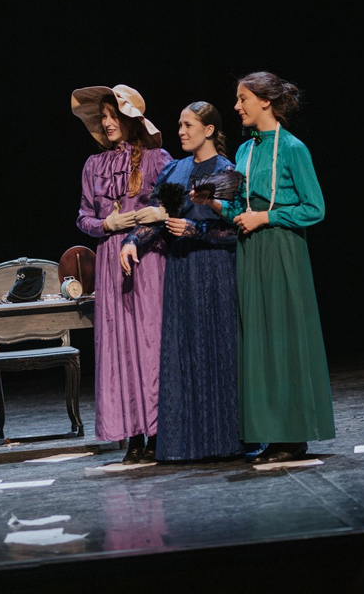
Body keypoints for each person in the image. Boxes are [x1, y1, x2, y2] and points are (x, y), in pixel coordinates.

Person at [219, 72, 335, 464]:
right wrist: (215, 204)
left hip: (282, 249)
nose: (237, 106)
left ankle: (293, 435)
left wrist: (266, 218)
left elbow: (314, 208)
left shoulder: (292, 148)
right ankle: (268, 431)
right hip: (249, 250)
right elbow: (238, 208)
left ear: (265, 101)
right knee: (258, 340)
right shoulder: (244, 150)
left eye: (243, 98)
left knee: (285, 338)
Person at [120, 102, 241, 462]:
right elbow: (158, 218)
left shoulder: (226, 171)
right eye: (180, 125)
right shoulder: (175, 170)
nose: (181, 131)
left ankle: (225, 440)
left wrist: (196, 228)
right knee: (183, 351)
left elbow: (235, 230)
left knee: (216, 350)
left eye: (189, 125)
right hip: (181, 270)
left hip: (215, 270)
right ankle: (186, 443)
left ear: (208, 130)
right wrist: (132, 240)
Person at [73, 85, 172, 463]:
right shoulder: (93, 165)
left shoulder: (156, 159)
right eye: (104, 117)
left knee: (149, 344)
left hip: (147, 259)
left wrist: (144, 222)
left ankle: (158, 432)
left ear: (131, 120)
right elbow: (83, 216)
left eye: (114, 116)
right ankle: (132, 436)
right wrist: (106, 224)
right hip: (109, 262)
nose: (108, 123)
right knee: (118, 348)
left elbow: (170, 207)